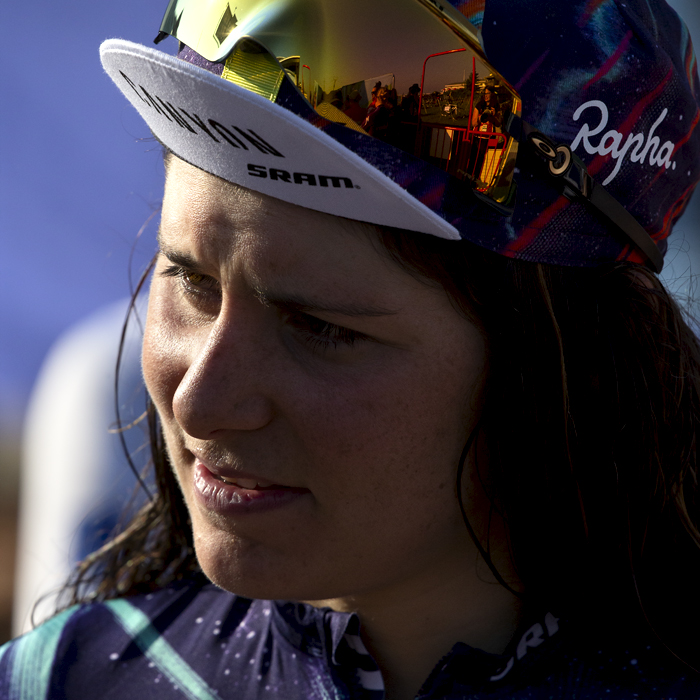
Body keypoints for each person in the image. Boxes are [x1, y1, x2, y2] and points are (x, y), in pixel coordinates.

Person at [2, 1, 700, 698]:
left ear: (568, 362)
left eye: (322, 328)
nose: (200, 402)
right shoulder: (52, 680)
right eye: (192, 282)